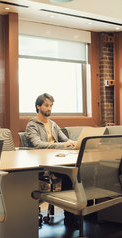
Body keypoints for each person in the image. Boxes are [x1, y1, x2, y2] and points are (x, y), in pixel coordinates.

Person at [25, 93, 78, 227]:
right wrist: (61, 145)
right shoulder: (32, 125)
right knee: (68, 175)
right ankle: (70, 218)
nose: (49, 108)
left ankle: (82, 214)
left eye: (51, 106)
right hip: (42, 164)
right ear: (38, 106)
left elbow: (65, 140)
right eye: (46, 105)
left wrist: (77, 143)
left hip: (57, 159)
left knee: (77, 173)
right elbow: (37, 144)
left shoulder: (53, 124)